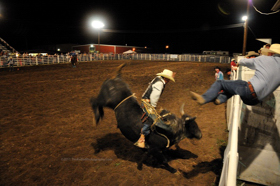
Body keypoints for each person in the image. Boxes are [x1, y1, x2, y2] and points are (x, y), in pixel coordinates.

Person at [190, 43, 280, 106]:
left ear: (271, 53)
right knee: (236, 85)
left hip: (249, 92)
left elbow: (244, 61)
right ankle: (220, 99)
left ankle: (204, 98)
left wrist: (238, 62)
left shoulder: (264, 59)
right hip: (256, 100)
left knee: (220, 83)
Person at [135, 69, 176, 148]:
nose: (169, 81)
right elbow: (154, 97)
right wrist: (153, 108)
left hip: (145, 100)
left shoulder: (158, 79)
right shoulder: (160, 84)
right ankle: (142, 136)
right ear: (166, 79)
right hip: (147, 103)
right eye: (169, 79)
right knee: (152, 118)